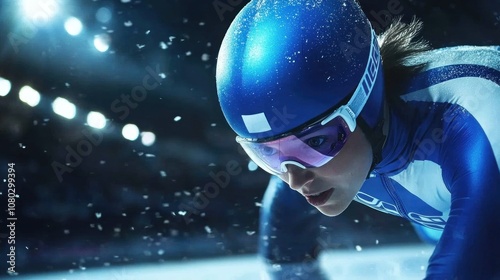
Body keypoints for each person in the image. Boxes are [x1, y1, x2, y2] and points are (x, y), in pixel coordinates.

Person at [215, 0, 500, 279]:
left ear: (366, 102)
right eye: (268, 154)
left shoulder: (477, 122)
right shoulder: (316, 158)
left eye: (314, 143)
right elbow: (285, 254)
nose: (294, 180)